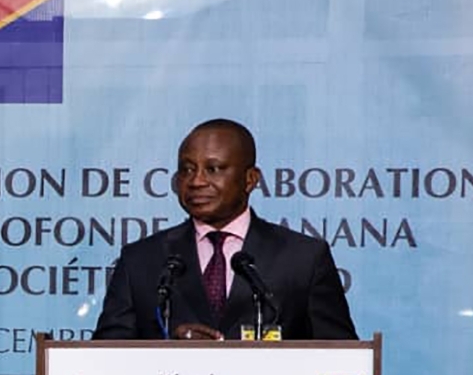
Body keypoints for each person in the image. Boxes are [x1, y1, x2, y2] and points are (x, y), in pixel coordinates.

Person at [94, 118, 357, 341]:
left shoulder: (303, 258)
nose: (196, 181)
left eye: (213, 169)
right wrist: (168, 351)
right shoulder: (141, 260)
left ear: (250, 179)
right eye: (187, 170)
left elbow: (341, 357)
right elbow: (105, 359)